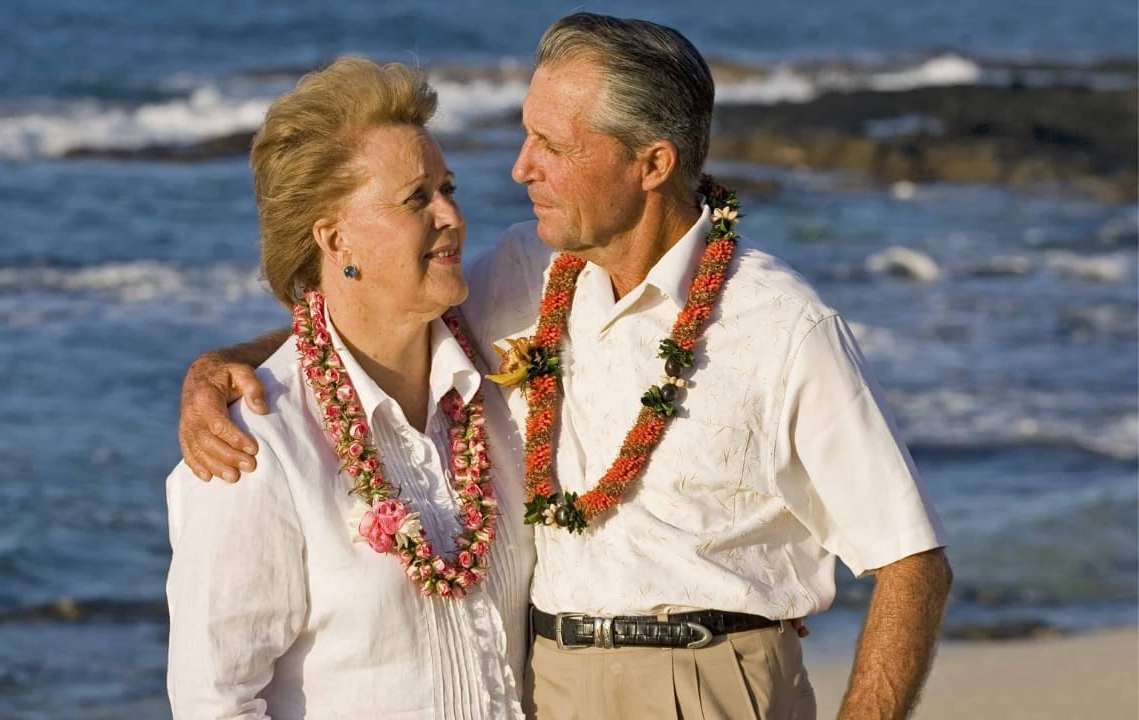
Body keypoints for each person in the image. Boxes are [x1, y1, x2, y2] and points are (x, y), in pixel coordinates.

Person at [180, 14, 952, 720]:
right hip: (552, 686)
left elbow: (912, 560)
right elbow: (379, 310)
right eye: (526, 136)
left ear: (651, 163)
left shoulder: (780, 326)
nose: (520, 169)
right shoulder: (528, 276)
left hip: (713, 682)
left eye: (553, 145)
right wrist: (222, 367)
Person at [164, 57, 534, 719]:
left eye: (448, 188)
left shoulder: (496, 374)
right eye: (416, 198)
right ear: (336, 240)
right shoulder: (256, 450)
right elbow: (214, 703)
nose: (451, 215)